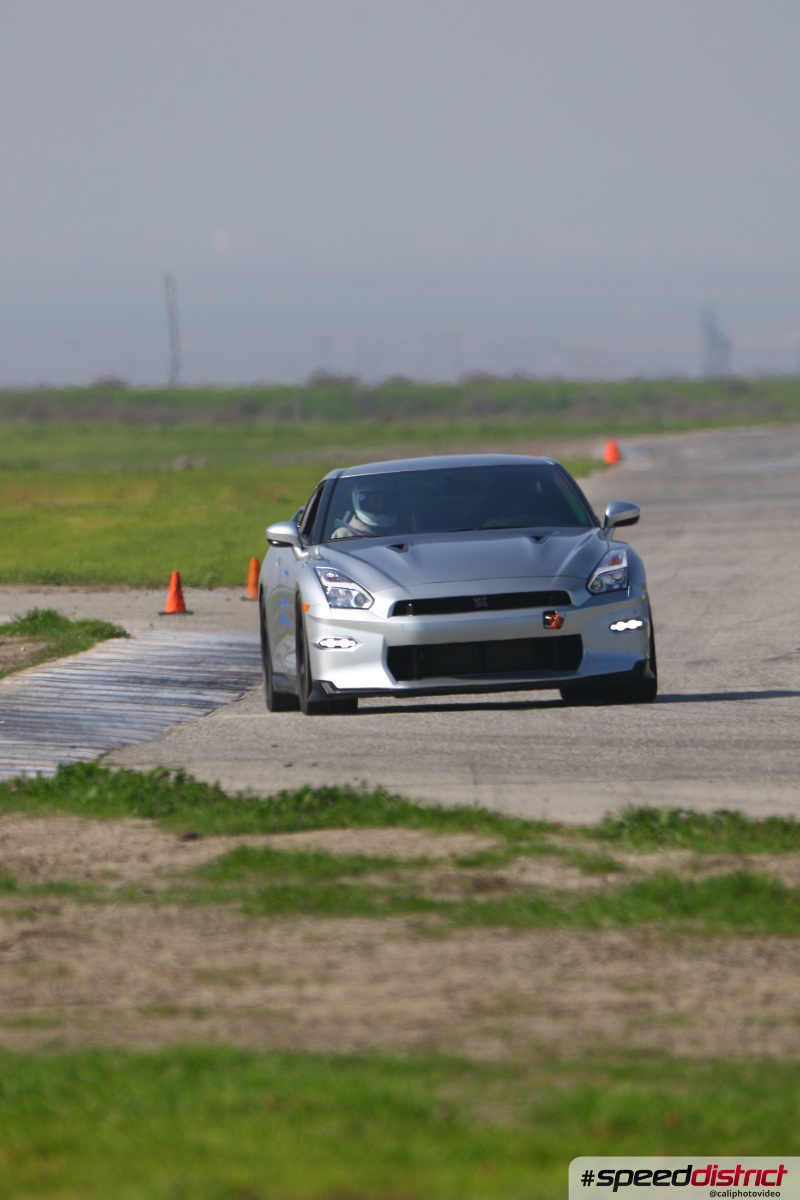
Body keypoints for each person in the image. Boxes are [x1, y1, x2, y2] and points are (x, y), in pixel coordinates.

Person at [330, 481, 400, 538]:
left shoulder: (401, 532)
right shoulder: (345, 535)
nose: (380, 506)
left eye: (385, 501)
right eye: (374, 501)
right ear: (364, 502)